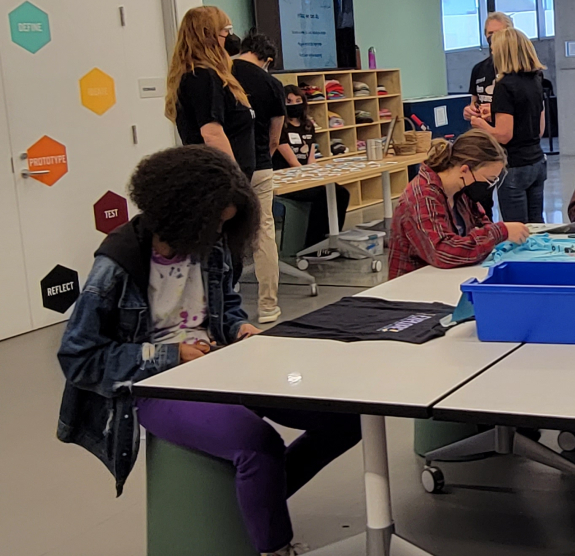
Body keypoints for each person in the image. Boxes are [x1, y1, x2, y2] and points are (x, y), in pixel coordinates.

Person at [56, 146, 361, 556]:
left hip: (219, 363)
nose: (220, 233)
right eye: (215, 222)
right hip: (156, 385)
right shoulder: (117, 265)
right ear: (183, 212)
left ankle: (256, 498)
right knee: (258, 443)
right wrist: (170, 355)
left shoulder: (208, 244)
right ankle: (274, 546)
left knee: (342, 421)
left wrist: (240, 328)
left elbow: (226, 306)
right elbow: (79, 358)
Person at [388, 130, 531, 275]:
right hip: (414, 287)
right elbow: (443, 252)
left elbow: (482, 225)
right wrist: (500, 232)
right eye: (489, 180)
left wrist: (495, 235)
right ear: (464, 170)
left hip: (447, 278)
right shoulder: (423, 197)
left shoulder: (462, 194)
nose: (489, 186)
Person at [229, 30, 286, 323]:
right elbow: (274, 139)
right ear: (268, 59)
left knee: (226, 232)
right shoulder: (273, 85)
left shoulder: (220, 74)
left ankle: (227, 302)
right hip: (260, 165)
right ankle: (268, 305)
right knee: (263, 232)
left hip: (225, 165)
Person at [165, 6, 256, 177]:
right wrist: (235, 178)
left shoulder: (212, 75)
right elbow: (212, 134)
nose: (230, 37)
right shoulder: (202, 76)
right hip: (218, 180)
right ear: (208, 35)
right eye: (226, 31)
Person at [469, 27, 547, 224]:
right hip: (537, 161)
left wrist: (479, 123)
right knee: (536, 226)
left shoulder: (504, 85)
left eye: (494, 49)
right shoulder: (536, 80)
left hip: (514, 165)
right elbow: (539, 127)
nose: (492, 54)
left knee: (516, 229)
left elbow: (504, 135)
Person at [273, 84, 351, 251]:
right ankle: (313, 243)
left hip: (306, 176)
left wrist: (318, 176)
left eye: (298, 100)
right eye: (289, 101)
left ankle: (330, 236)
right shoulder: (279, 127)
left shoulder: (308, 125)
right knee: (322, 195)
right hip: (287, 180)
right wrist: (312, 179)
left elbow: (310, 157)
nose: (294, 104)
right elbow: (293, 162)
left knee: (340, 193)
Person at [462, 11, 515, 216]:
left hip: (509, 146)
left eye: (497, 33)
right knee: (479, 200)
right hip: (482, 145)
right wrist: (470, 111)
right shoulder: (479, 69)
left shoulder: (516, 71)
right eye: (488, 33)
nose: (492, 38)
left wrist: (492, 113)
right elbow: (473, 101)